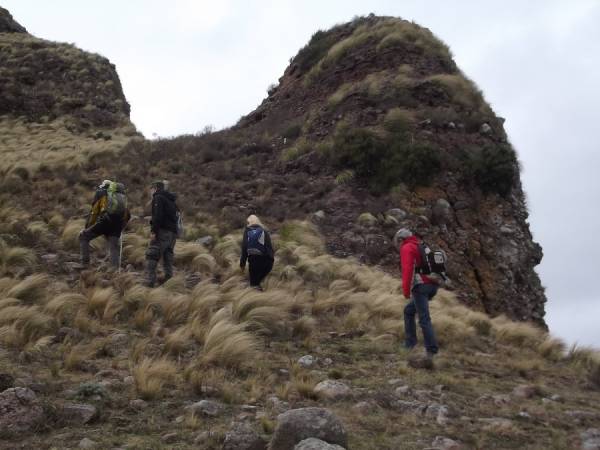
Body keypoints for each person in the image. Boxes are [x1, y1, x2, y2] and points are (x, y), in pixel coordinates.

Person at [395, 228, 439, 361]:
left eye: (398, 241)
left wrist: (406, 291)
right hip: (432, 285)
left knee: (424, 319)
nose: (398, 244)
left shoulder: (407, 247)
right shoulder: (420, 245)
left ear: (401, 239)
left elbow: (408, 269)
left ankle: (431, 351)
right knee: (408, 311)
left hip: (421, 287)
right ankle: (410, 343)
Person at [79, 180, 130, 270]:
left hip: (104, 222)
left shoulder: (101, 193)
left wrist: (87, 227)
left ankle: (85, 264)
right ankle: (114, 271)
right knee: (114, 247)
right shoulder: (122, 198)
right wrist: (121, 227)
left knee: (84, 237)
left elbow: (94, 212)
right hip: (117, 225)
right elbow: (127, 215)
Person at [145, 180, 178, 287]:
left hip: (162, 232)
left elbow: (158, 216)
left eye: (151, 189)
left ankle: (150, 282)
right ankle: (169, 282)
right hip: (172, 234)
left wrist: (154, 231)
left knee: (152, 255)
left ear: (154, 188)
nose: (150, 192)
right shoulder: (171, 200)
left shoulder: (158, 198)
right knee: (168, 258)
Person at [240, 215, 274, 291]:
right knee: (257, 283)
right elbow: (270, 248)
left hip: (253, 260)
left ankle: (256, 300)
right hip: (266, 260)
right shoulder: (264, 231)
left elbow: (244, 248)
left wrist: (242, 264)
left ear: (249, 222)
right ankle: (260, 298)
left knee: (253, 285)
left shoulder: (247, 231)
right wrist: (270, 262)